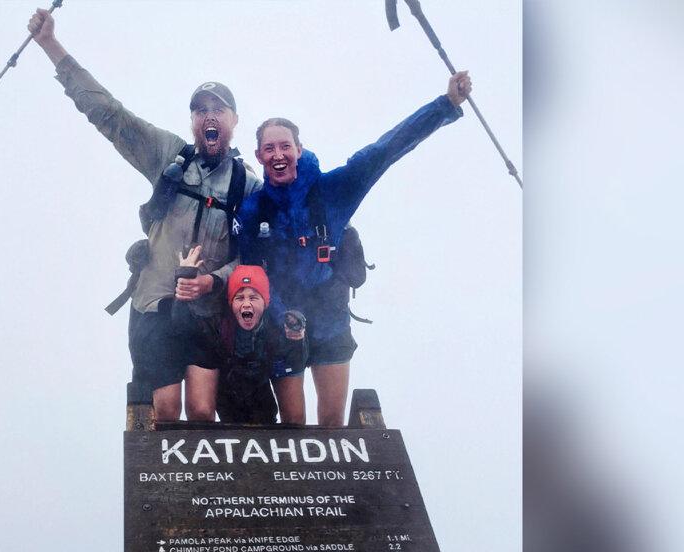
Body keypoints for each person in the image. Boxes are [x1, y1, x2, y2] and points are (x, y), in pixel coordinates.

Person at [27, 8, 262, 421]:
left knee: (204, 412)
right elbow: (110, 115)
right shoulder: (169, 155)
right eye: (200, 110)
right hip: (154, 305)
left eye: (219, 109)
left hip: (208, 315)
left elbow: (254, 257)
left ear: (233, 121)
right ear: (192, 121)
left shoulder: (248, 184)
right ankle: (168, 490)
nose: (209, 116)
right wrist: (50, 45)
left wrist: (212, 281)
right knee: (165, 415)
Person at [236, 72, 472, 426]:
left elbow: (386, 150)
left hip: (330, 315)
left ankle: (333, 482)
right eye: (269, 148)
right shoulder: (253, 210)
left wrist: (446, 104)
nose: (278, 154)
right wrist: (282, 316)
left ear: (299, 149)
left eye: (285, 146)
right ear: (259, 155)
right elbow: (251, 275)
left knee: (332, 424)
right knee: (293, 426)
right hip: (282, 321)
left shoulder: (334, 190)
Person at [172, 248, 306, 424]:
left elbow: (294, 363)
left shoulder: (275, 329)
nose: (246, 304)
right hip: (227, 399)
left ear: (265, 303)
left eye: (254, 297)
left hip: (261, 402)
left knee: (290, 417)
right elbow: (182, 326)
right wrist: (185, 277)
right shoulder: (219, 325)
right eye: (240, 298)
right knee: (206, 412)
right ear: (231, 303)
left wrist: (296, 341)